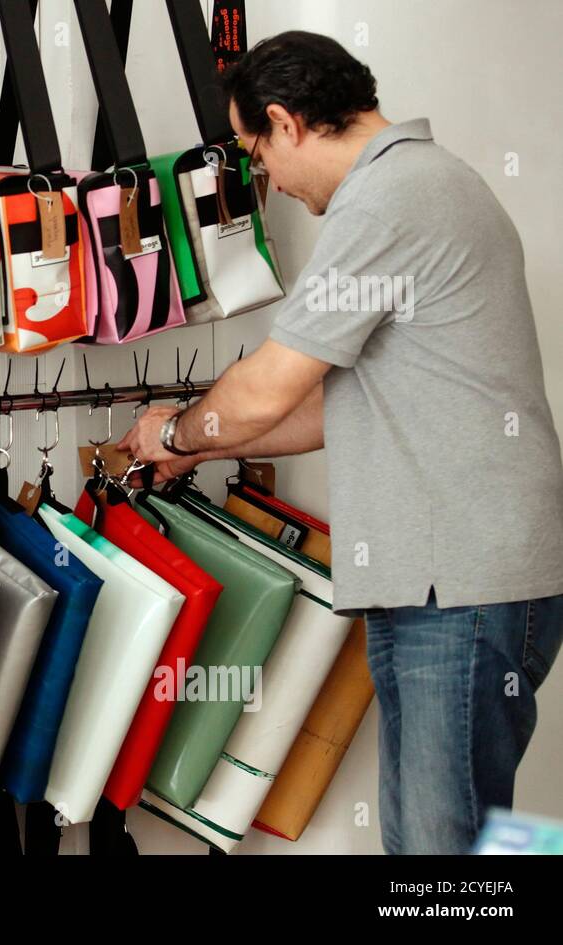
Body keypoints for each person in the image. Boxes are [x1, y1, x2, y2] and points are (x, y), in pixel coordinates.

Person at [116, 30, 563, 854]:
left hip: (460, 581)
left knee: (443, 857)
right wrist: (195, 450)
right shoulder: (418, 186)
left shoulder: (392, 197)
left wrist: (172, 429)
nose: (269, 181)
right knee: (433, 847)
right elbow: (328, 406)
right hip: (438, 577)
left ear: (286, 123)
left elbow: (270, 385)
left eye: (256, 152)